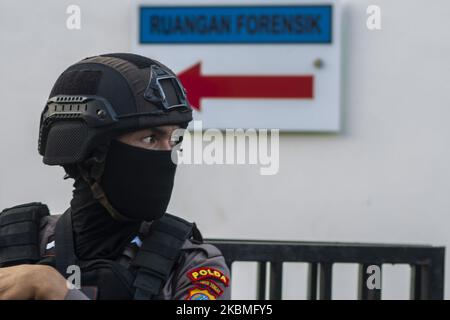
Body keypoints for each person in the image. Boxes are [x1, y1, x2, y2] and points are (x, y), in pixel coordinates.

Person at [0, 53, 231, 300]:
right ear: (93, 153)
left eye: (175, 140)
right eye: (150, 139)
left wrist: (58, 292)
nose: (168, 155)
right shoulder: (12, 242)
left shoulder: (191, 264)